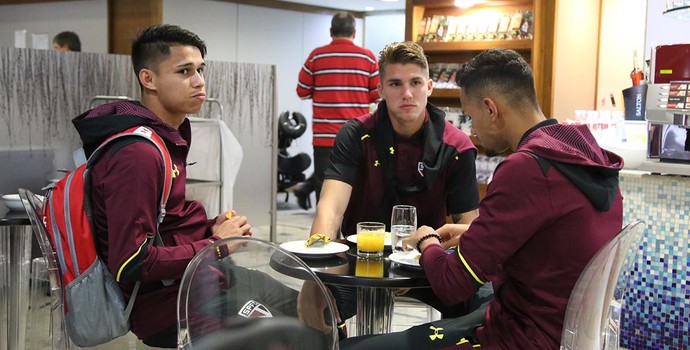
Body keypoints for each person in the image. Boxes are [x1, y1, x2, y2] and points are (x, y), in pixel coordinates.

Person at [340, 48, 625, 349]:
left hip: (516, 337)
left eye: (472, 117)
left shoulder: (526, 169)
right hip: (563, 332)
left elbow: (452, 285)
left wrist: (427, 241)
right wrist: (472, 233)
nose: (472, 130)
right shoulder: (585, 154)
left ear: (491, 109)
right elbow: (551, 238)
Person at [71, 24, 314, 348]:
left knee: (315, 312)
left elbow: (165, 223)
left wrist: (208, 228)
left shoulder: (167, 136)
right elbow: (131, 262)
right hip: (172, 305)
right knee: (297, 336)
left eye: (200, 69)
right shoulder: (138, 154)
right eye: (185, 71)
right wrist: (217, 244)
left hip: (204, 279)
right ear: (148, 79)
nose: (199, 81)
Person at [303, 41, 481, 329]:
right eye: (395, 84)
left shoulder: (457, 146)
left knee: (478, 304)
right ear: (380, 89)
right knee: (317, 305)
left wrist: (430, 254)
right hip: (358, 260)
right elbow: (330, 208)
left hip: (427, 262)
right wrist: (315, 269)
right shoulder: (355, 134)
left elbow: (470, 228)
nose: (407, 93)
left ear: (430, 87)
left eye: (416, 83)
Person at [295, 11, 380, 208]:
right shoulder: (367, 58)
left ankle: (325, 237)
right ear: (354, 32)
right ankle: (351, 237)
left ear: (331, 31)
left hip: (324, 139)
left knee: (325, 194)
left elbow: (302, 91)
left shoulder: (317, 56)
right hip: (357, 136)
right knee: (357, 191)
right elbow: (377, 95)